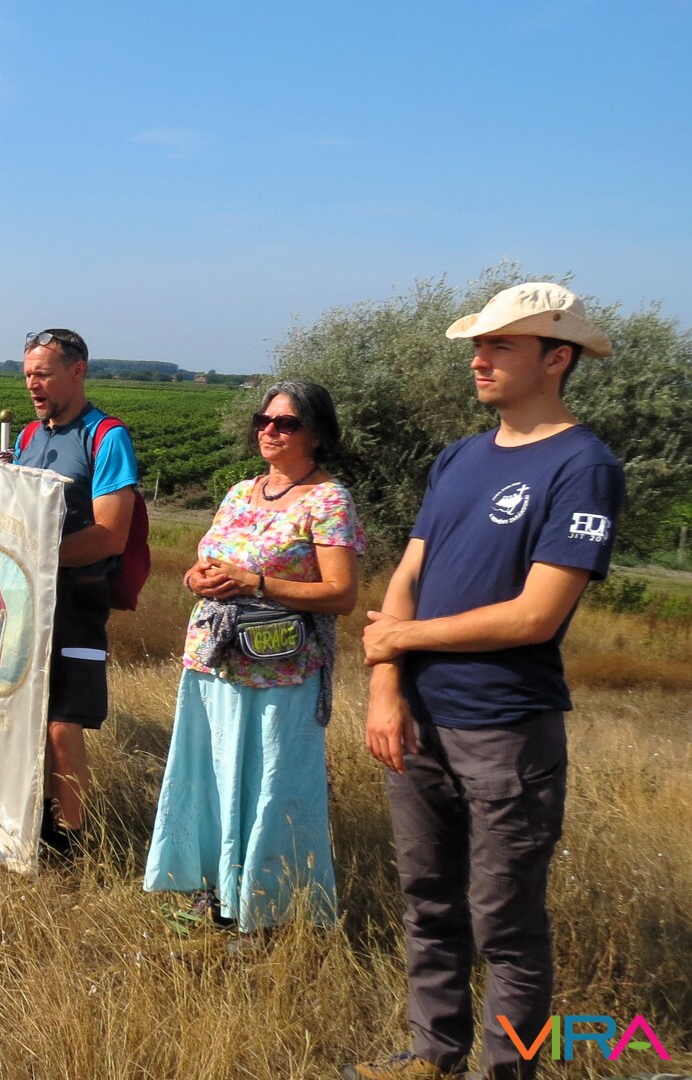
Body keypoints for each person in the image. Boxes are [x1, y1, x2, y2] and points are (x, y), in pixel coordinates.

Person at [346, 283, 624, 1080]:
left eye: (500, 345)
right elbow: (407, 575)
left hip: (504, 728)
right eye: (478, 345)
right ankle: (431, 1055)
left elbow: (535, 615)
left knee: (504, 924)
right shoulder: (459, 457)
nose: (479, 359)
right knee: (428, 904)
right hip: (416, 720)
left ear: (556, 358)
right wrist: (385, 689)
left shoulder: (584, 466)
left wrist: (398, 638)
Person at [143, 380, 363, 934]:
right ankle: (214, 891)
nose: (270, 430)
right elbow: (207, 561)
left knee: (271, 784)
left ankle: (268, 911)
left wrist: (256, 583)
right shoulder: (241, 491)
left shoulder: (329, 500)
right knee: (211, 774)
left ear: (316, 434)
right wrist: (196, 578)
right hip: (213, 661)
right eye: (264, 420)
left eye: (286, 423)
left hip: (280, 671)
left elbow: (341, 594)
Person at [6, 328, 138, 857]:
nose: (32, 385)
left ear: (77, 371)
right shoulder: (28, 437)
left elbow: (111, 534)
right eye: (27, 376)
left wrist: (38, 555)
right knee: (26, 717)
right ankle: (34, 821)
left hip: (79, 602)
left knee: (63, 724)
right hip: (25, 598)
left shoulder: (107, 437)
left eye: (42, 374)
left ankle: (72, 841)